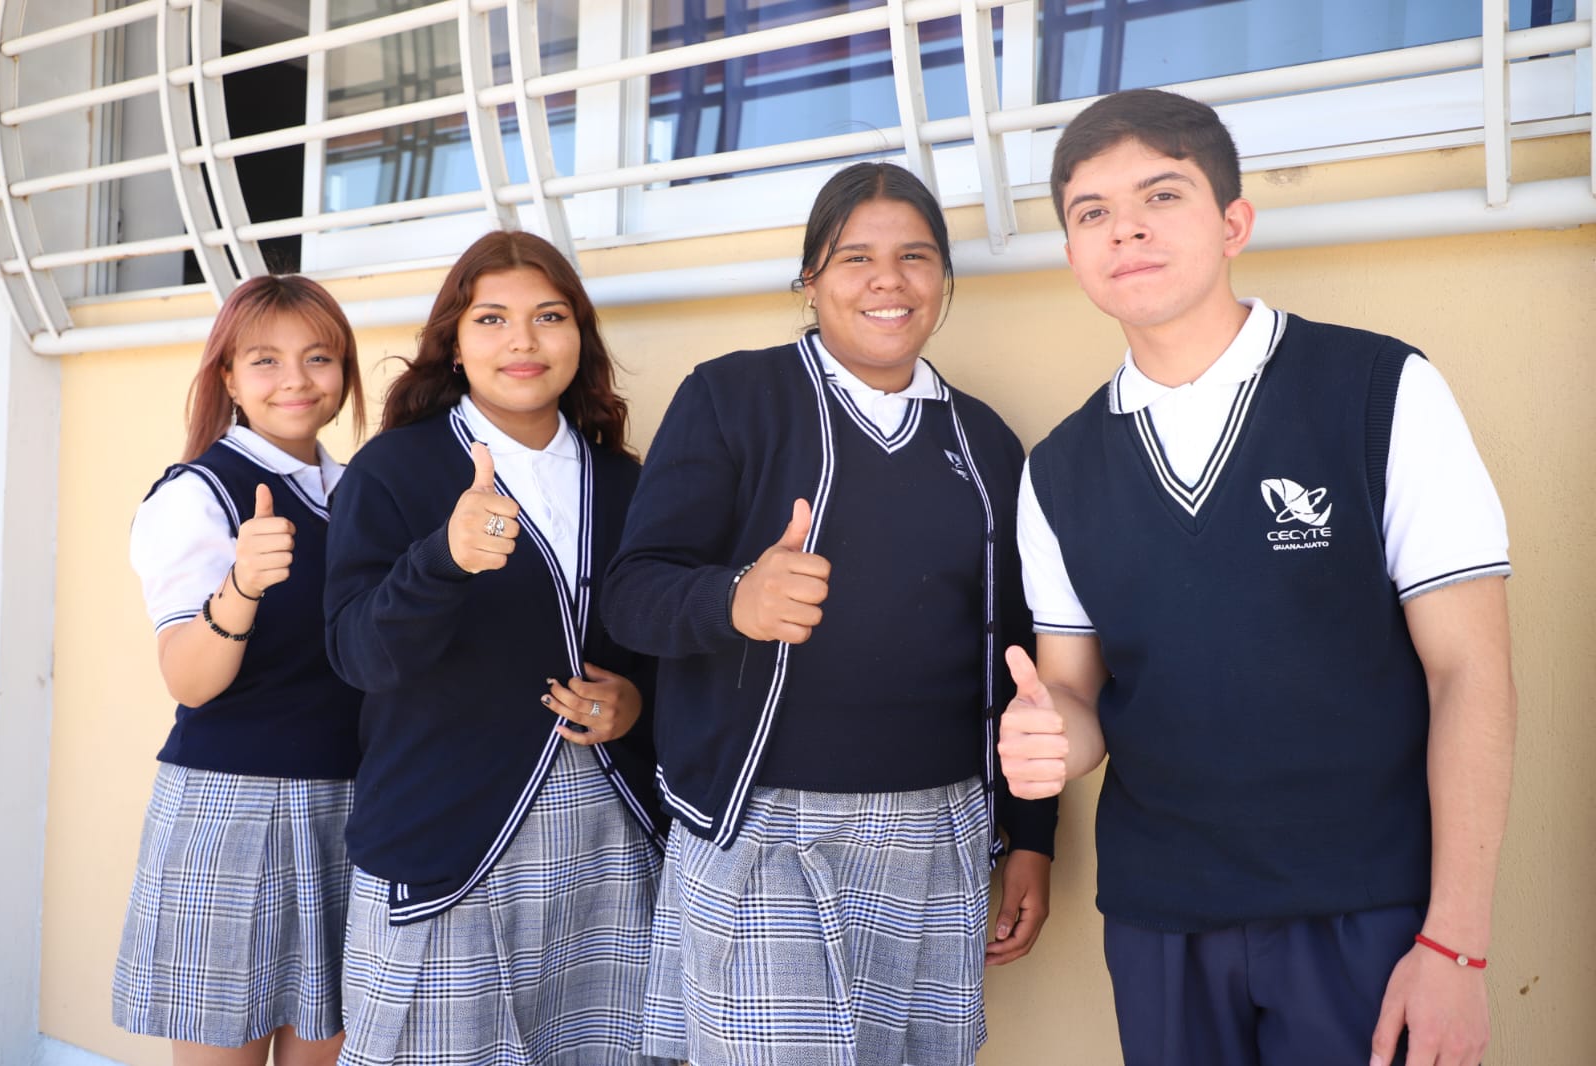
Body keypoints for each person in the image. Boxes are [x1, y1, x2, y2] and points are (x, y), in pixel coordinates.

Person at [999, 88, 1516, 1066]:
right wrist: (1048, 740)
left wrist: (1457, 942)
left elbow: (1470, 674)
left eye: (1161, 195)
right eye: (1092, 212)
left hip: (1365, 909)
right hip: (1159, 920)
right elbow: (1075, 696)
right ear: (1071, 253)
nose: (1126, 229)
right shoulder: (1057, 471)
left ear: (1233, 223)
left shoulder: (1379, 392)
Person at [603, 161, 1058, 1066]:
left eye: (915, 257)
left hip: (943, 826)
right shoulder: (734, 398)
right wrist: (736, 598)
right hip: (763, 824)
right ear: (810, 278)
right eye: (856, 258)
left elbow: (1019, 654)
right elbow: (631, 594)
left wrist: (1033, 838)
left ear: (943, 281)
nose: (889, 280)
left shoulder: (984, 440)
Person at [323, 229, 666, 1066]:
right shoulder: (394, 471)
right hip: (449, 840)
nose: (523, 341)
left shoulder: (628, 482)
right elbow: (358, 656)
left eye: (549, 316)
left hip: (609, 842)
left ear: (579, 335)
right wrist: (442, 560)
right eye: (491, 319)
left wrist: (635, 702)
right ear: (454, 343)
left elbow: (664, 643)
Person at [113, 275, 367, 1066]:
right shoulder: (198, 495)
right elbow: (188, 681)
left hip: (352, 805)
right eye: (265, 360)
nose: (296, 379)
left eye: (319, 357)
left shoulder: (358, 492)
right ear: (227, 377)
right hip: (234, 807)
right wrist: (243, 584)